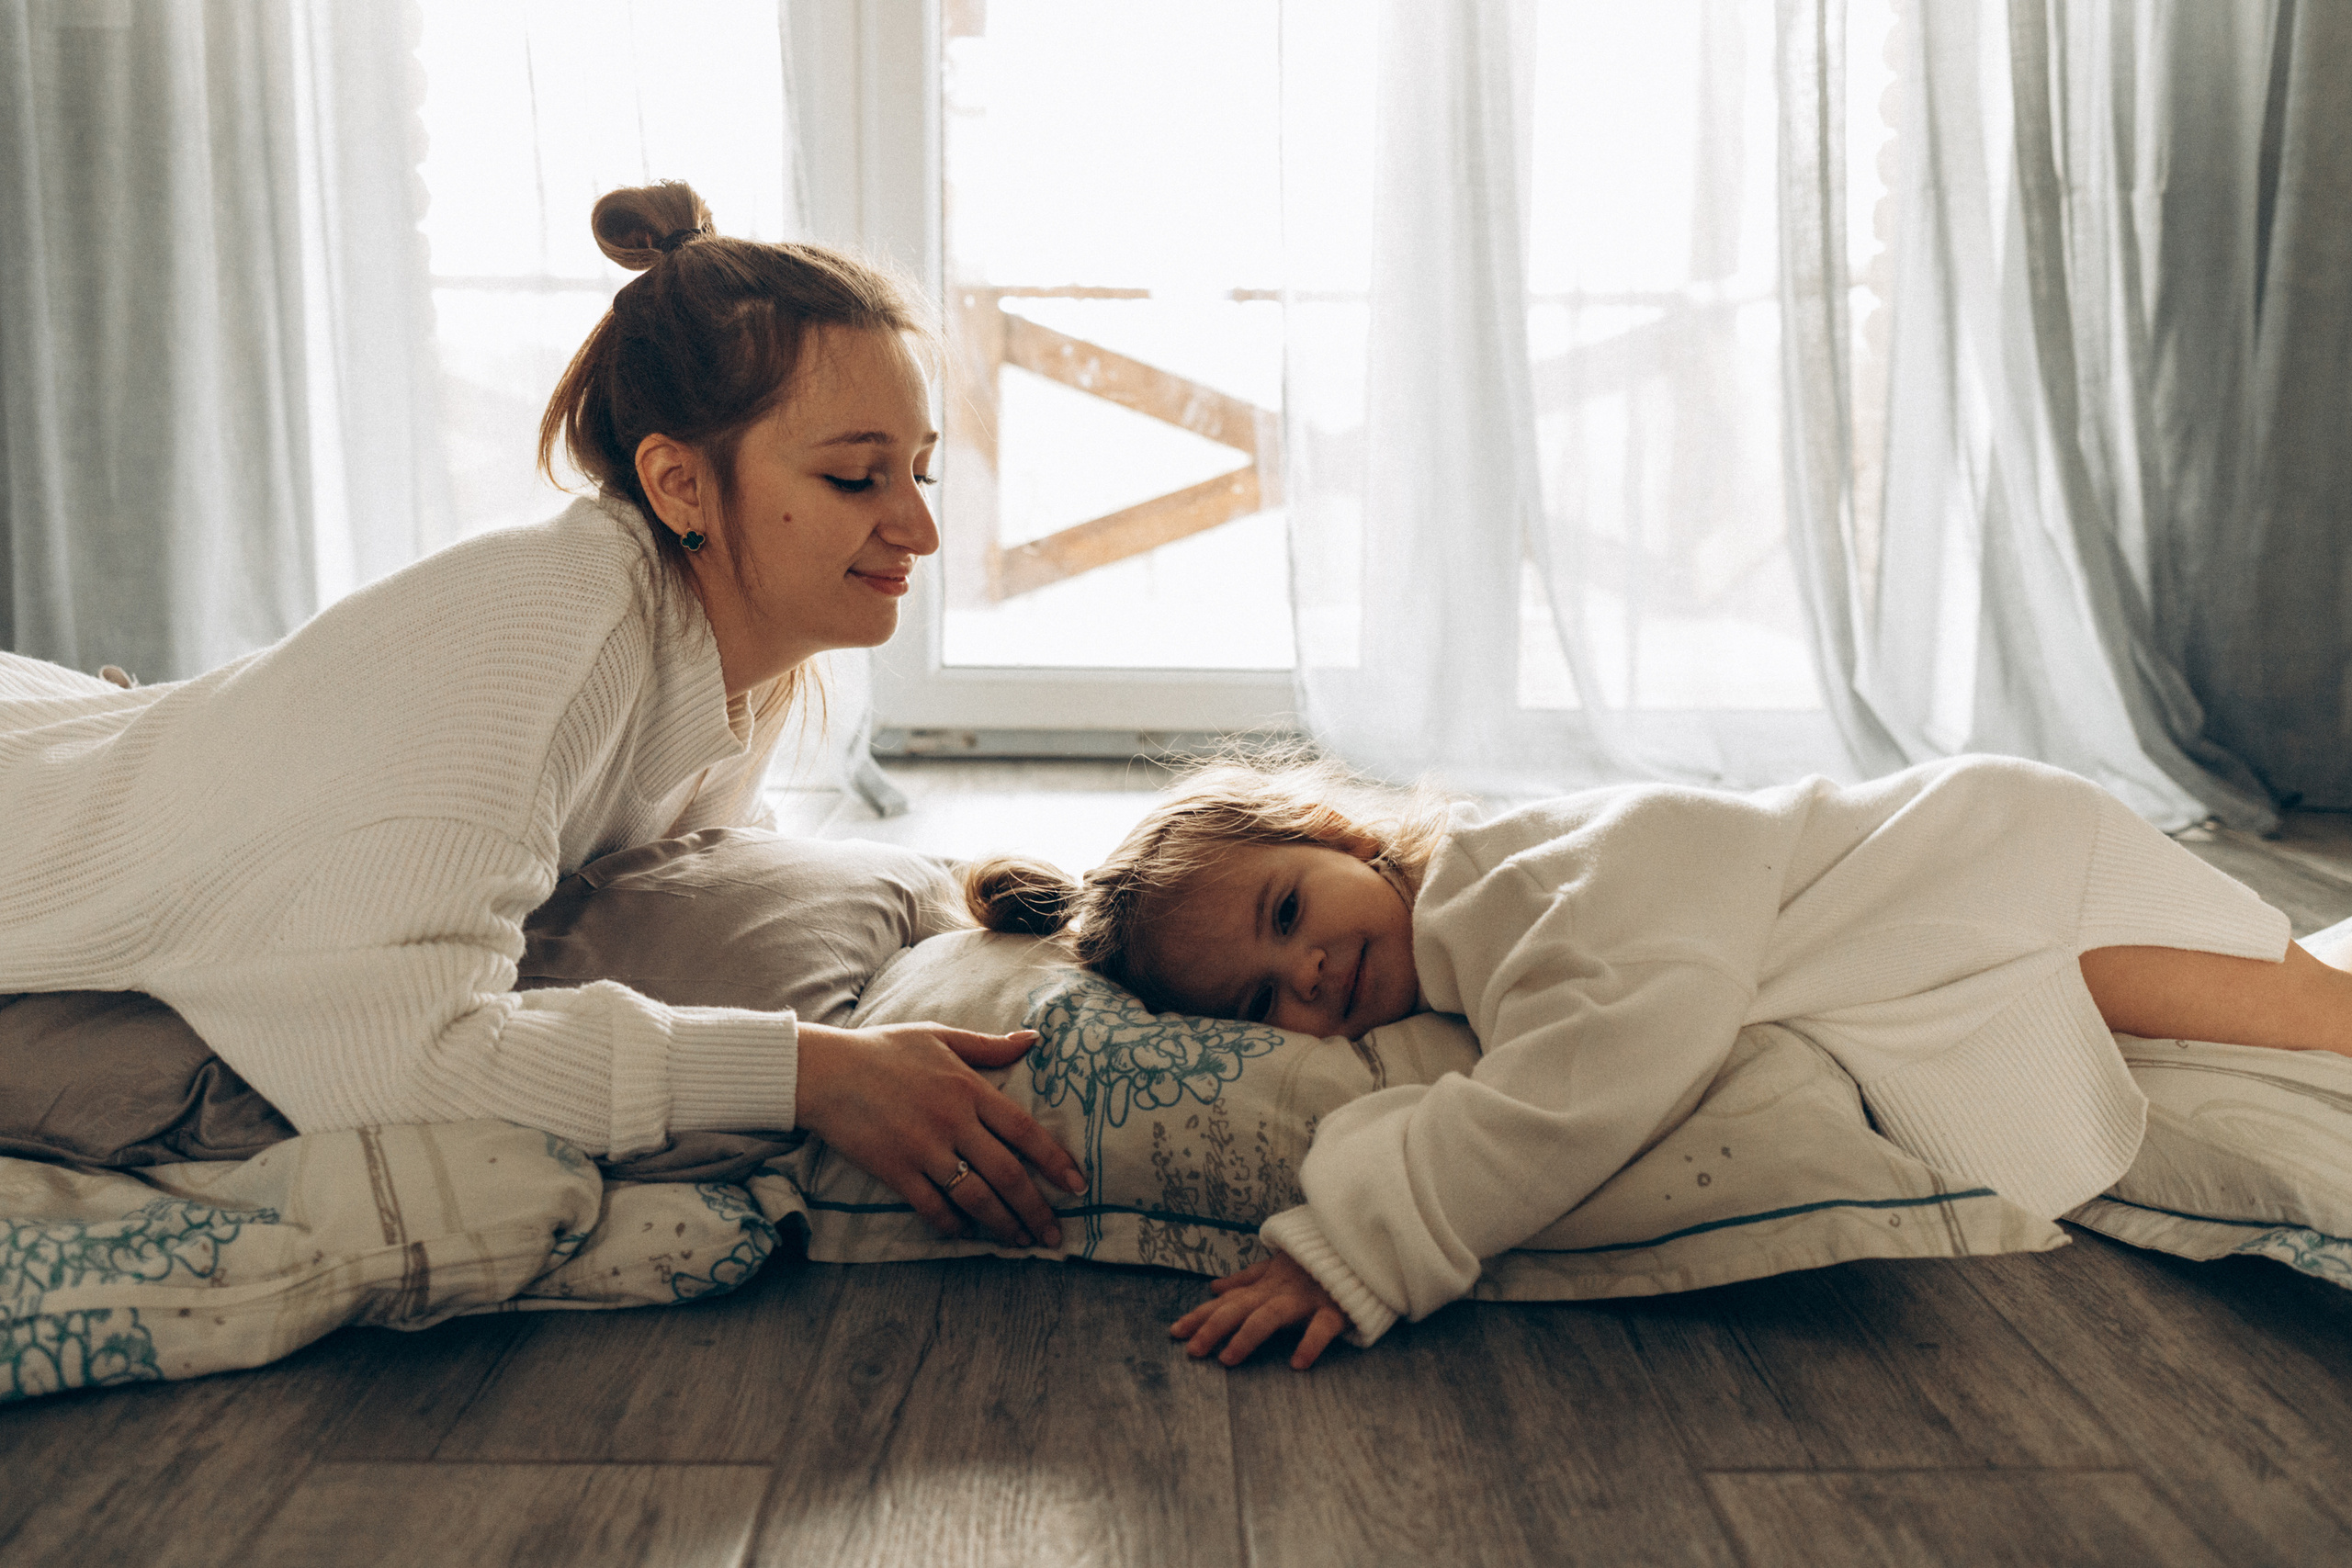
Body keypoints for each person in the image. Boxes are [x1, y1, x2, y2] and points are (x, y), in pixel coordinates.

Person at [0, 181, 1084, 1249]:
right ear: (679, 486)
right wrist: (804, 1072)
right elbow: (400, 1054)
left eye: (918, 470)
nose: (918, 529)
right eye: (856, 477)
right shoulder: (544, 626)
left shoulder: (727, 664)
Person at [969, 749, 2352, 1368]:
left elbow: (1613, 1056)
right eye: (1265, 1002)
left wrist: (1363, 1237)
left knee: (2312, 1028)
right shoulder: (1445, 965)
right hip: (1918, 938)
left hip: (1983, 865)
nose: (1312, 973)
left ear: (1334, 834)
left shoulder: (1518, 880)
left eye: (1289, 913)